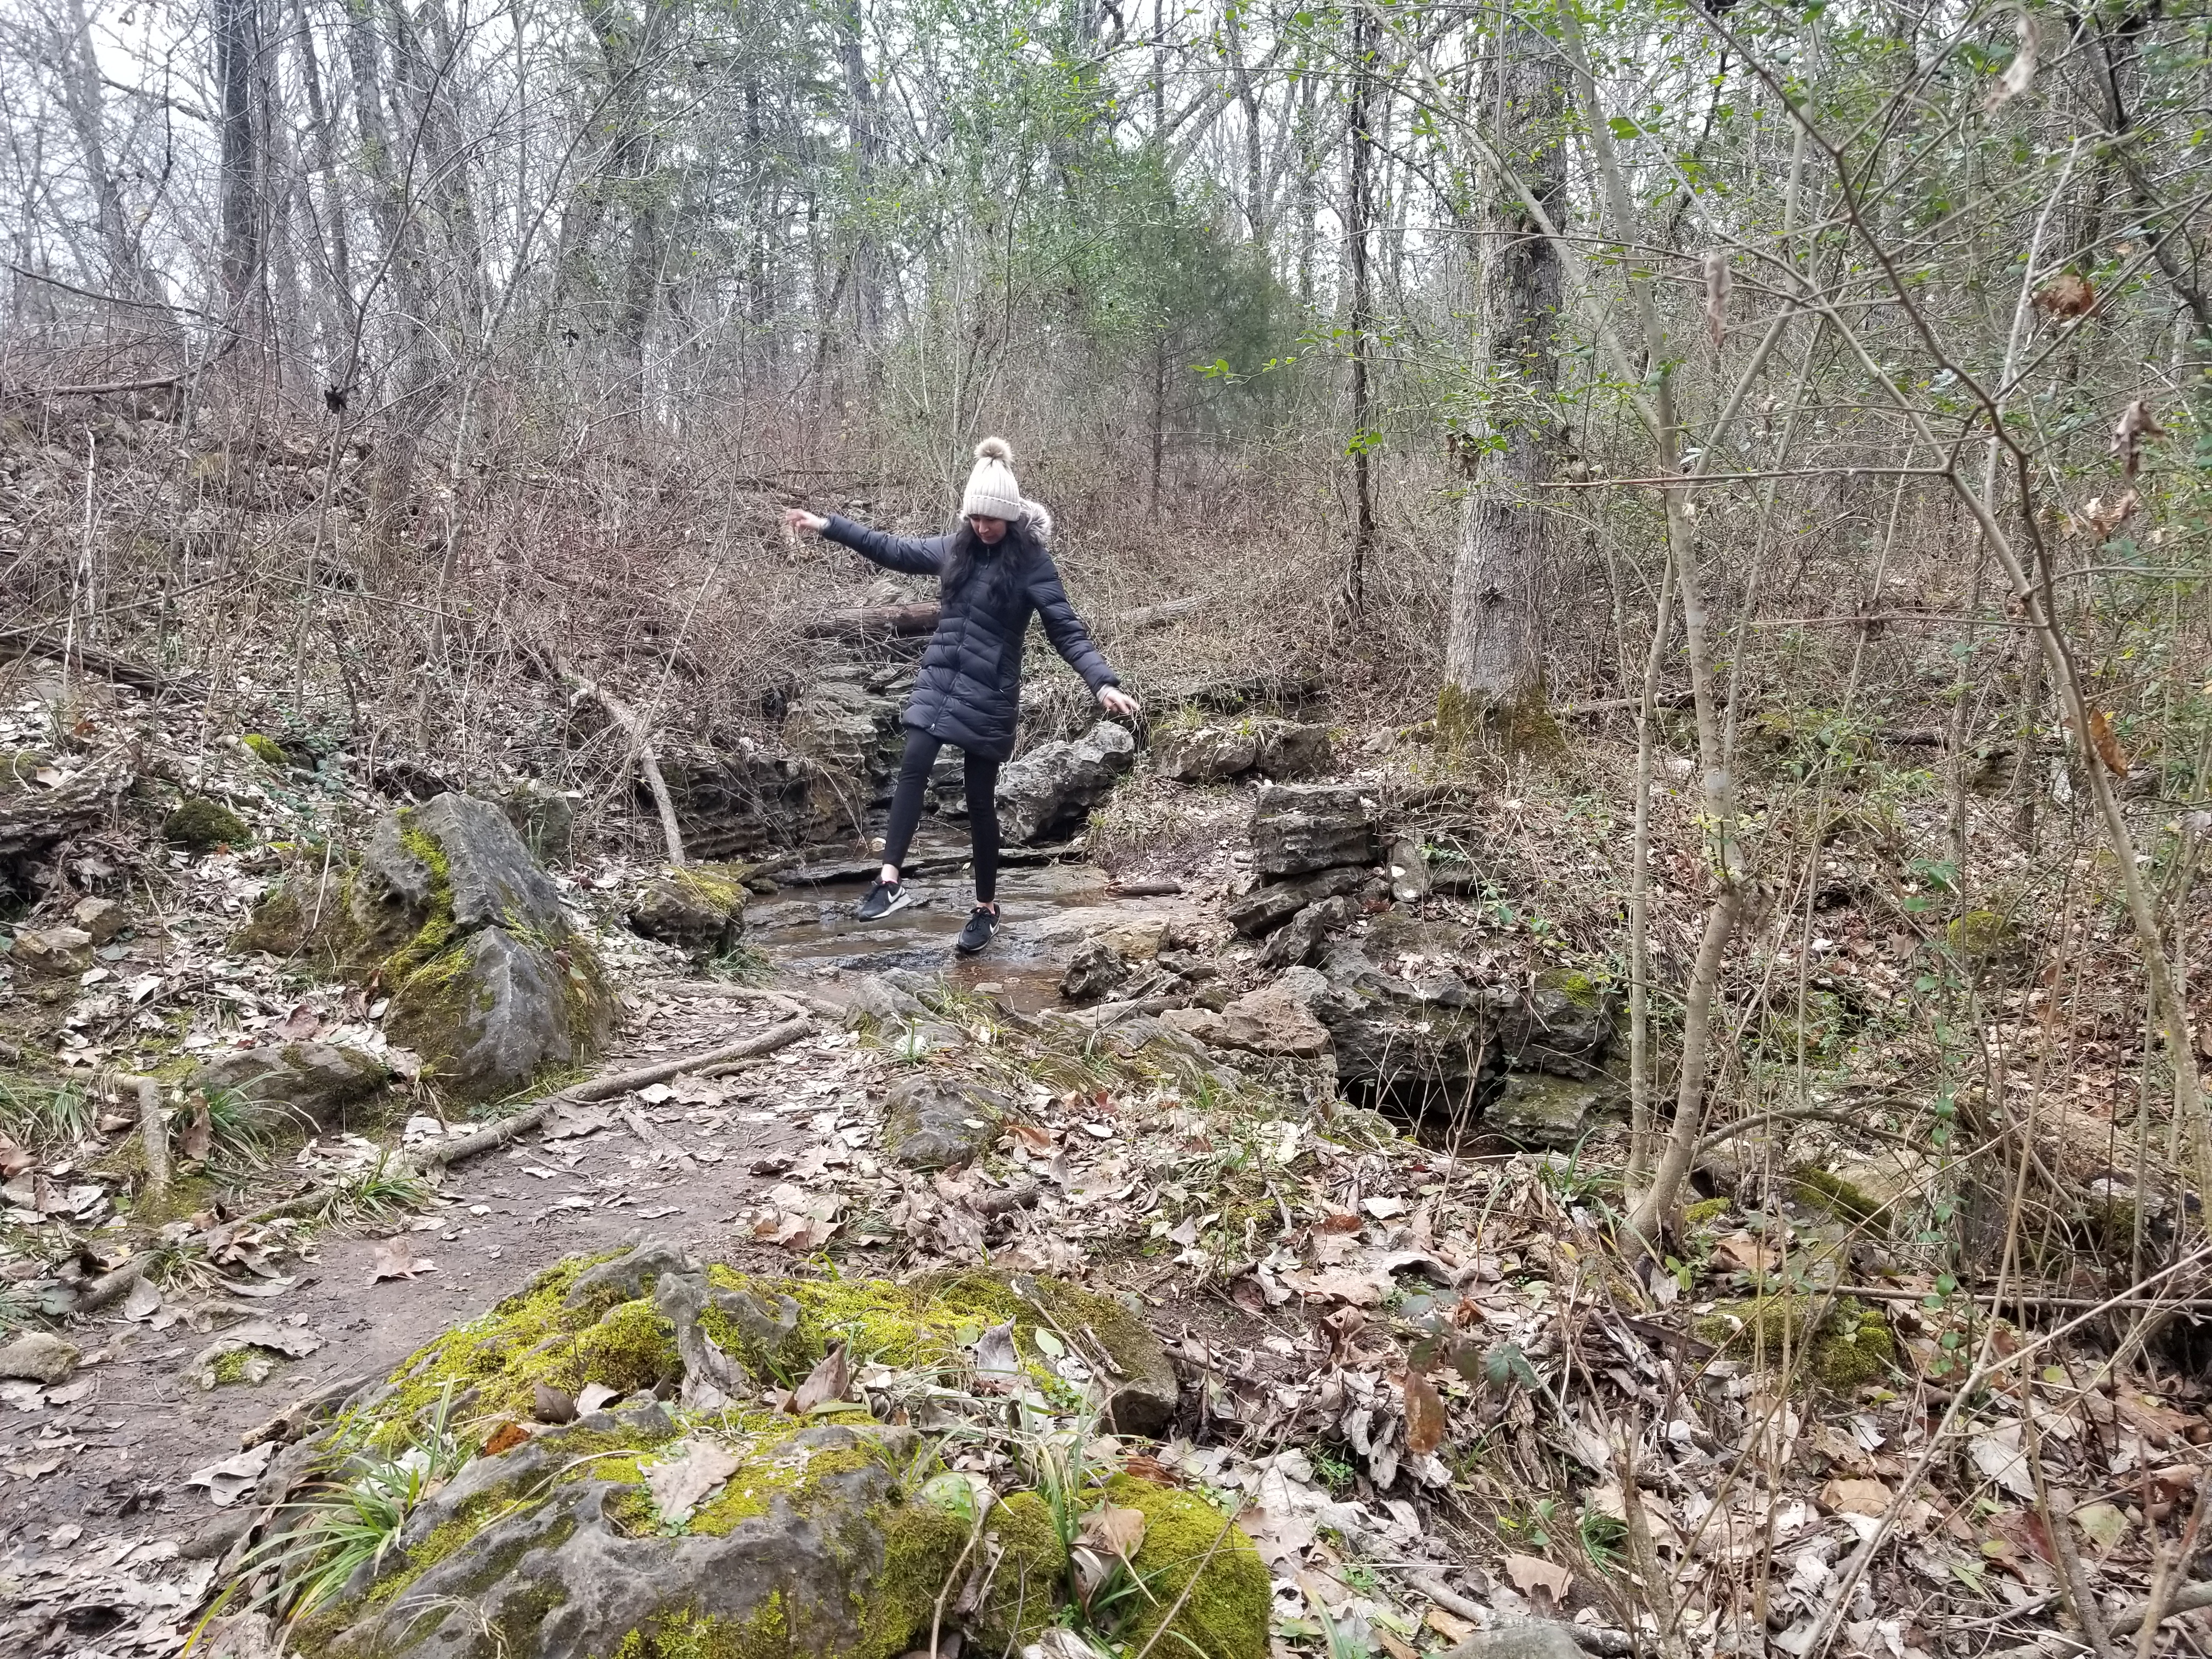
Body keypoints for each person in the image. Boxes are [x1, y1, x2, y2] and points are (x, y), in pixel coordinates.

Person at [783, 437, 1139, 956]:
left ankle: (986, 908)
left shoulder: (1032, 565)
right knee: (914, 762)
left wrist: (1102, 682)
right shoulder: (956, 549)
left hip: (990, 692)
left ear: (1010, 517)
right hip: (940, 678)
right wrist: (829, 526)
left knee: (978, 802)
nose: (981, 527)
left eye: (990, 519)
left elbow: (1067, 630)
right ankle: (889, 880)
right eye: (973, 518)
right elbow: (894, 548)